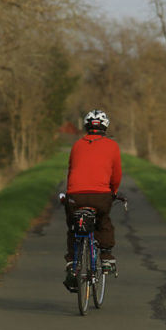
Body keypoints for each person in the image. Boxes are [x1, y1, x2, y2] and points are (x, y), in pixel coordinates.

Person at [63, 109, 122, 283]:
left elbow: (71, 170)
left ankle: (73, 262)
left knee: (74, 226)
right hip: (100, 196)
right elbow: (116, 174)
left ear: (86, 126)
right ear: (105, 127)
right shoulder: (112, 146)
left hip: (75, 195)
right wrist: (114, 191)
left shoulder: (77, 145)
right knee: (103, 222)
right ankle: (106, 257)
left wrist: (69, 193)